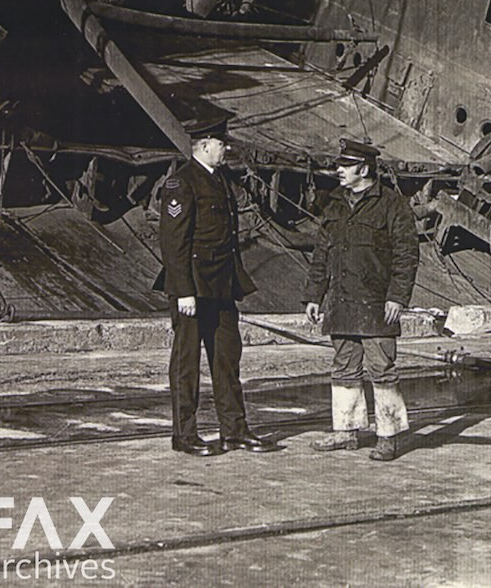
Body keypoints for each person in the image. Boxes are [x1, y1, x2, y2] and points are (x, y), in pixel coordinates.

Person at [155, 118, 276, 456]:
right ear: (205, 145)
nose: (227, 149)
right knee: (187, 363)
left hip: (221, 286)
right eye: (222, 144)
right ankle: (185, 435)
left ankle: (234, 430)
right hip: (192, 289)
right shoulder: (182, 183)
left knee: (226, 360)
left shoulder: (220, 181)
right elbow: (173, 242)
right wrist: (183, 291)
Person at [303, 139, 419, 461]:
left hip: (376, 303)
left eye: (345, 165)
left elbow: (406, 255)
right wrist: (314, 295)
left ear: (363, 169)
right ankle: (346, 432)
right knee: (343, 368)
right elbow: (322, 254)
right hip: (341, 302)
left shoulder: (392, 205)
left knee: (381, 369)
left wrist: (397, 297)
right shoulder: (336, 204)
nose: (338, 170)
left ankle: (389, 436)